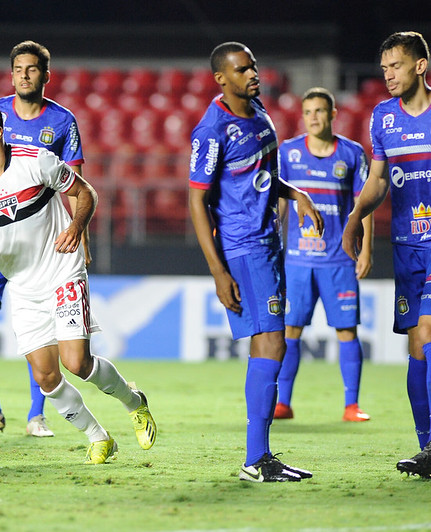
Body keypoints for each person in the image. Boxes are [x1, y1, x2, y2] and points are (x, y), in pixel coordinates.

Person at [0, 100, 156, 464]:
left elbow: (86, 193)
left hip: (62, 270)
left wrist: (76, 226)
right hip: (22, 285)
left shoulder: (36, 160)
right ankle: (99, 437)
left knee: (77, 363)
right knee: (46, 377)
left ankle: (134, 402)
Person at [188, 42, 323, 482]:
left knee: (269, 343)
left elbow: (262, 175)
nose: (253, 74)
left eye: (254, 66)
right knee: (272, 341)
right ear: (220, 79)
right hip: (243, 246)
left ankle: (260, 455)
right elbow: (196, 200)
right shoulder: (213, 130)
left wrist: (297, 193)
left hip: (269, 242)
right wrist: (218, 271)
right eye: (243, 69)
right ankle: (256, 458)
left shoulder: (259, 109)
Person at [0, 41, 90, 438]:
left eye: (32, 69)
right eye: (17, 69)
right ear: (11, 74)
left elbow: (76, 187)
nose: (24, 75)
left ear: (46, 75)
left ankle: (36, 414)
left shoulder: (63, 122)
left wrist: (81, 235)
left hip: (44, 242)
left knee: (43, 326)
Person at [342, 31, 431, 479]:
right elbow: (378, 180)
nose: (388, 75)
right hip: (407, 247)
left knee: (430, 336)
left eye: (395, 66)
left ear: (420, 66)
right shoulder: (383, 117)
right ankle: (427, 446)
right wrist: (357, 215)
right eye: (383, 69)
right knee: (418, 348)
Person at [274, 87, 373, 422]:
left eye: (320, 111)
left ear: (333, 114)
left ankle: (351, 406)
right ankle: (283, 403)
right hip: (299, 261)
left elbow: (364, 206)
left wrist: (365, 249)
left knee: (346, 330)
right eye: (308, 112)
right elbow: (281, 205)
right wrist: (274, 245)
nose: (313, 117)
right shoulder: (288, 153)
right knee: (291, 329)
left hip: (338, 260)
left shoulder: (352, 153)